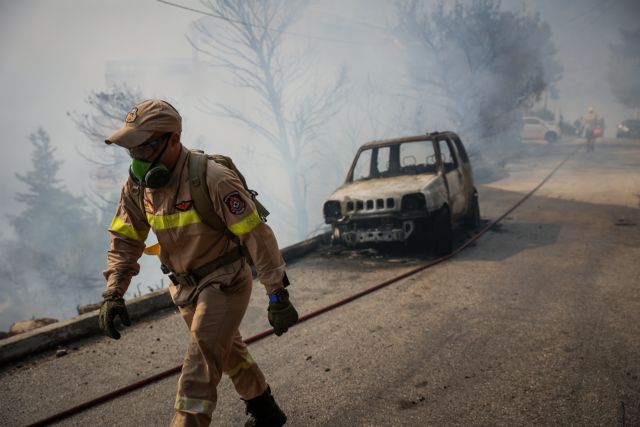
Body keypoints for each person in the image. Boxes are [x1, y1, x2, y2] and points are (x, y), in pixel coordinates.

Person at [98, 99, 298, 427]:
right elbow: (126, 239)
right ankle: (267, 413)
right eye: (131, 151)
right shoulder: (138, 186)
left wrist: (277, 293)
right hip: (184, 288)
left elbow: (257, 237)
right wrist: (114, 292)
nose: (137, 160)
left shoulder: (212, 178)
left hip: (225, 282)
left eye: (144, 149)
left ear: (173, 140)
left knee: (198, 368)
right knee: (228, 351)